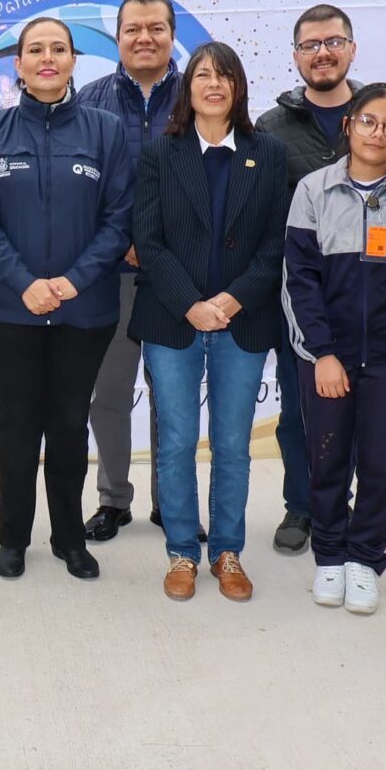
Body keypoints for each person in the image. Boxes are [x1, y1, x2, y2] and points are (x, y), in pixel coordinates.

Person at [0, 15, 135, 580]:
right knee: (17, 424)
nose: (47, 58)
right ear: (18, 64)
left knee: (67, 424)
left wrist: (72, 281)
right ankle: (12, 539)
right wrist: (26, 283)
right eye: (35, 50)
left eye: (58, 49)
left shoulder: (105, 130)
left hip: (84, 308)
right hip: (7, 308)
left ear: (72, 61)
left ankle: (69, 539)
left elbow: (118, 219)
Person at [282, 83, 386, 615]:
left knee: (382, 461)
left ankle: (364, 559)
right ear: (348, 125)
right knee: (327, 456)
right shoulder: (314, 189)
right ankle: (330, 555)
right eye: (368, 121)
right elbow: (299, 278)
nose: (378, 133)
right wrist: (322, 352)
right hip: (328, 352)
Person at [129, 42, 289, 601]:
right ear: (188, 87)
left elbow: (276, 242)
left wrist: (233, 300)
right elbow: (148, 240)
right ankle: (181, 552)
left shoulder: (268, 153)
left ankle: (226, 552)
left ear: (239, 87)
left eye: (225, 76)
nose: (214, 84)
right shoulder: (160, 153)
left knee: (232, 444)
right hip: (172, 319)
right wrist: (191, 304)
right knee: (175, 442)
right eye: (203, 75)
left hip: (242, 321)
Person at [255, 3, 364, 555]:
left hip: (368, 293)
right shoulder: (270, 127)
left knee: (362, 407)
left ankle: (350, 506)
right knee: (299, 410)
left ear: (351, 48)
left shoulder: (378, 115)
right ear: (296, 56)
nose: (323, 53)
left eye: (333, 42)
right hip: (295, 294)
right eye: (311, 45)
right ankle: (302, 504)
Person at [75, 0, 179, 542]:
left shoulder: (200, 96)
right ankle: (113, 500)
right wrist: (121, 242)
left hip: (178, 280)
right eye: (133, 29)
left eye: (155, 28)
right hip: (108, 278)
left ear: (171, 36)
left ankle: (173, 503)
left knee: (172, 397)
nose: (144, 38)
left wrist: (159, 245)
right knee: (109, 394)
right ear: (116, 38)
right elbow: (77, 192)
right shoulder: (89, 102)